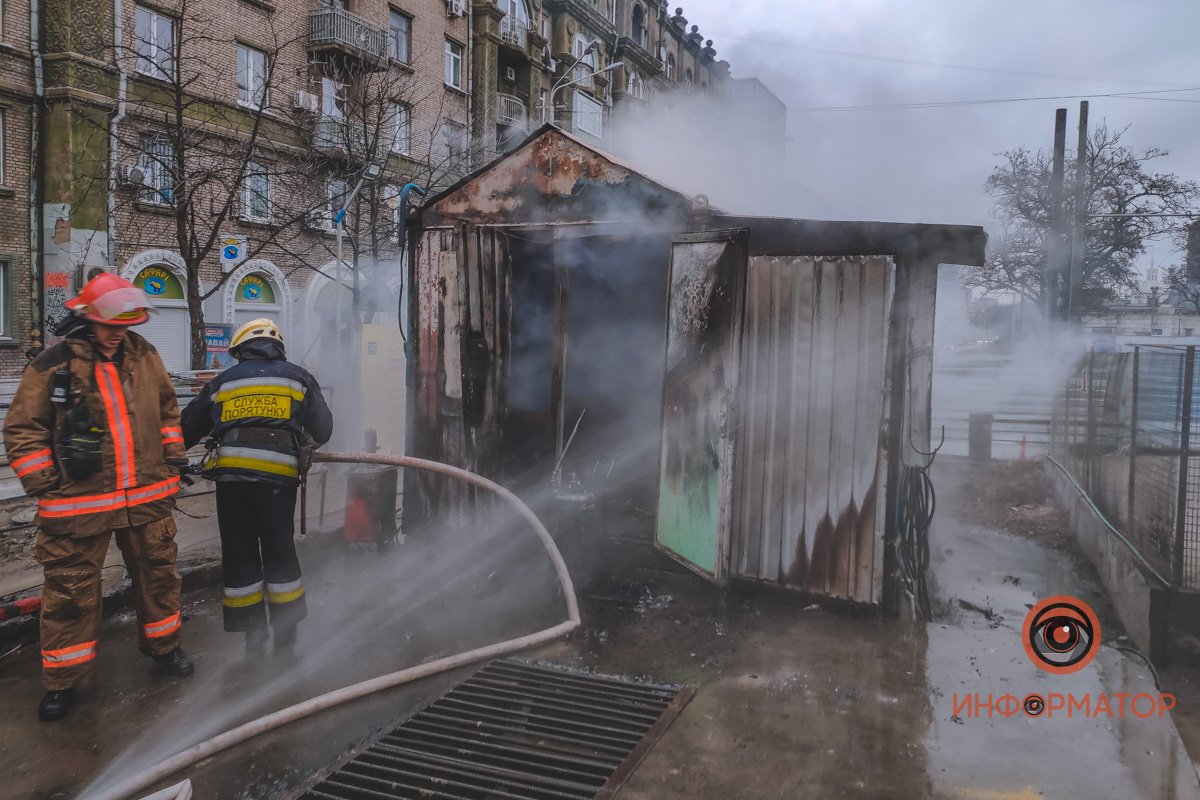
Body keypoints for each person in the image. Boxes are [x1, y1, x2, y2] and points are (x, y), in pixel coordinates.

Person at [3, 273, 193, 722]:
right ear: (88, 317)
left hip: (147, 500)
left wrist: (172, 458)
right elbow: (22, 429)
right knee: (70, 593)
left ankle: (166, 650)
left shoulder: (145, 355)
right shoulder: (54, 361)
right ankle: (64, 683)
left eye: (126, 323)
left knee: (160, 578)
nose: (118, 331)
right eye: (111, 323)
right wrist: (47, 482)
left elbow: (168, 412)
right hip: (78, 506)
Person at [181, 318, 332, 655]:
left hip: (232, 483)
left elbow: (187, 428)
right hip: (277, 483)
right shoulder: (298, 376)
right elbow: (323, 430)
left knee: (240, 552)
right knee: (279, 551)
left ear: (239, 350)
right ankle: (286, 630)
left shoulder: (223, 381)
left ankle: (253, 635)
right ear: (278, 348)